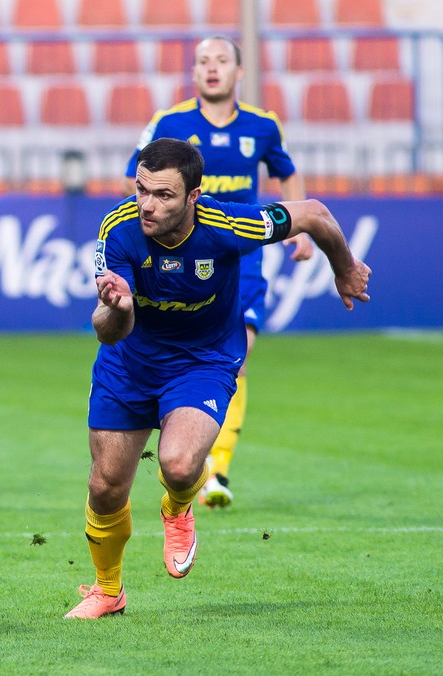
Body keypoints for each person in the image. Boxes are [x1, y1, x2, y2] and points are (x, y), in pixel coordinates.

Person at [66, 138, 370, 619]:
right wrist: (117, 305)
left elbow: (313, 213)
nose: (147, 204)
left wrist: (345, 267)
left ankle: (178, 506)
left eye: (164, 195)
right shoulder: (117, 230)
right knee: (105, 487)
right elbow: (107, 332)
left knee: (180, 465)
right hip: (129, 362)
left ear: (194, 197)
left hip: (202, 361)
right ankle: (108, 591)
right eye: (142, 189)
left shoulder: (228, 224)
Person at [123, 36, 314, 509]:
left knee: (240, 352)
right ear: (193, 73)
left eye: (222, 60)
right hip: (183, 252)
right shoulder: (170, 123)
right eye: (203, 61)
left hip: (240, 254)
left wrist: (298, 231)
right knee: (176, 343)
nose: (212, 68)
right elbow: (136, 176)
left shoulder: (263, 126)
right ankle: (186, 443)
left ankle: (215, 468)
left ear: (239, 72)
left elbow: (286, 172)